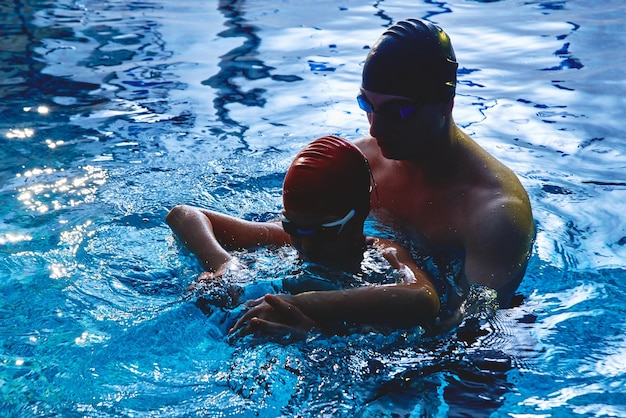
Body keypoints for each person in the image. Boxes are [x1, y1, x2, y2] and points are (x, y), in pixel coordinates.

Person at [166, 135, 440, 337]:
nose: (306, 245)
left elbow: (424, 298)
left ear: (359, 214)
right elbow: (183, 215)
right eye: (293, 227)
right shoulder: (285, 239)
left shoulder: (381, 253)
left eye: (322, 232)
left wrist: (306, 309)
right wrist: (225, 264)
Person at [353, 18, 535, 309]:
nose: (375, 129)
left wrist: (328, 313)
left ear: (446, 103)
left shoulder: (494, 213)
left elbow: (471, 326)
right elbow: (295, 231)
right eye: (368, 107)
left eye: (397, 111)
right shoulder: (359, 164)